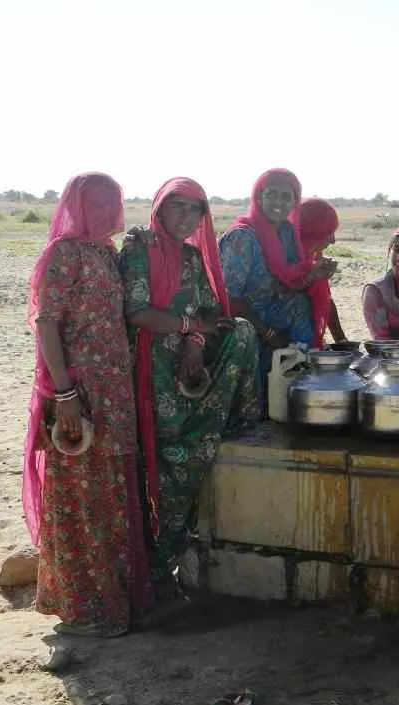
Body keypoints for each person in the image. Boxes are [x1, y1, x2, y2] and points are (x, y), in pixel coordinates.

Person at [22, 173, 152, 637]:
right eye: (95, 203)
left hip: (114, 395)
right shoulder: (64, 253)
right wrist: (65, 394)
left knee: (112, 496)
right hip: (80, 396)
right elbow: (47, 323)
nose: (106, 212)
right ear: (77, 206)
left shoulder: (106, 253)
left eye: (111, 202)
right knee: (81, 497)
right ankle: (86, 608)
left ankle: (114, 600)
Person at [120, 177, 261, 600]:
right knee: (163, 460)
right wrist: (189, 328)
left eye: (194, 210)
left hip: (183, 358)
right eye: (176, 207)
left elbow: (208, 311)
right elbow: (138, 312)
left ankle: (226, 425)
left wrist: (196, 342)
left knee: (240, 331)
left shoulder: (193, 257)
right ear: (160, 208)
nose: (184, 217)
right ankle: (155, 567)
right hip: (148, 364)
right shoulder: (139, 248)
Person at [219, 169, 337, 396]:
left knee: (301, 304)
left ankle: (299, 389)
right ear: (258, 196)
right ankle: (267, 395)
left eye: (286, 196)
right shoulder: (243, 238)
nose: (278, 202)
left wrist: (313, 275)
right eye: (272, 194)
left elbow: (288, 285)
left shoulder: (286, 234)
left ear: (295, 202)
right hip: (239, 315)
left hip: (270, 310)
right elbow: (229, 299)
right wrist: (270, 335)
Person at [290, 197, 346, 344]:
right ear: (312, 231)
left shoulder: (313, 255)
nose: (333, 241)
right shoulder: (283, 258)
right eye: (328, 233)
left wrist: (342, 341)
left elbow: (326, 299)